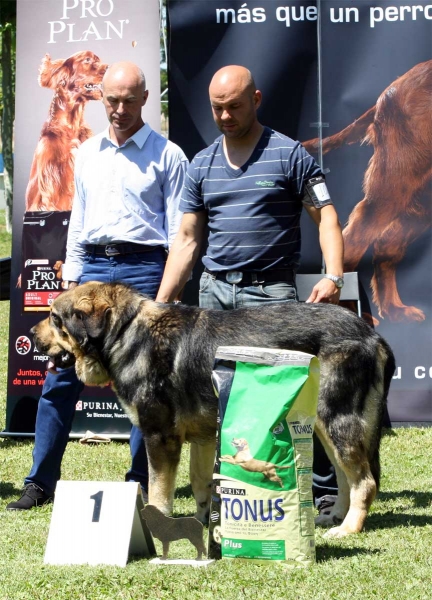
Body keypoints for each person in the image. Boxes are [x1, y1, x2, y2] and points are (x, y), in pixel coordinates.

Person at [156, 65, 342, 509]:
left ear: (256, 99)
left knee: (291, 397)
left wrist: (333, 275)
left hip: (271, 298)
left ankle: (321, 490)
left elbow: (327, 217)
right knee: (213, 401)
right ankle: (230, 497)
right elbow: (186, 239)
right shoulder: (201, 164)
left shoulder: (290, 154)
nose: (224, 116)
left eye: (234, 106)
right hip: (214, 299)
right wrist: (162, 303)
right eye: (217, 108)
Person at [7, 61, 188, 510]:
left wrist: (165, 298)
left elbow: (179, 234)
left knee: (144, 384)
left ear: (146, 99)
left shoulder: (169, 156)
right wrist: (69, 283)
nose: (120, 109)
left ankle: (139, 485)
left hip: (144, 271)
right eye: (112, 100)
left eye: (129, 100)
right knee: (61, 377)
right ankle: (39, 482)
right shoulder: (86, 152)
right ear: (100, 98)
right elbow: (79, 222)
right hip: (89, 274)